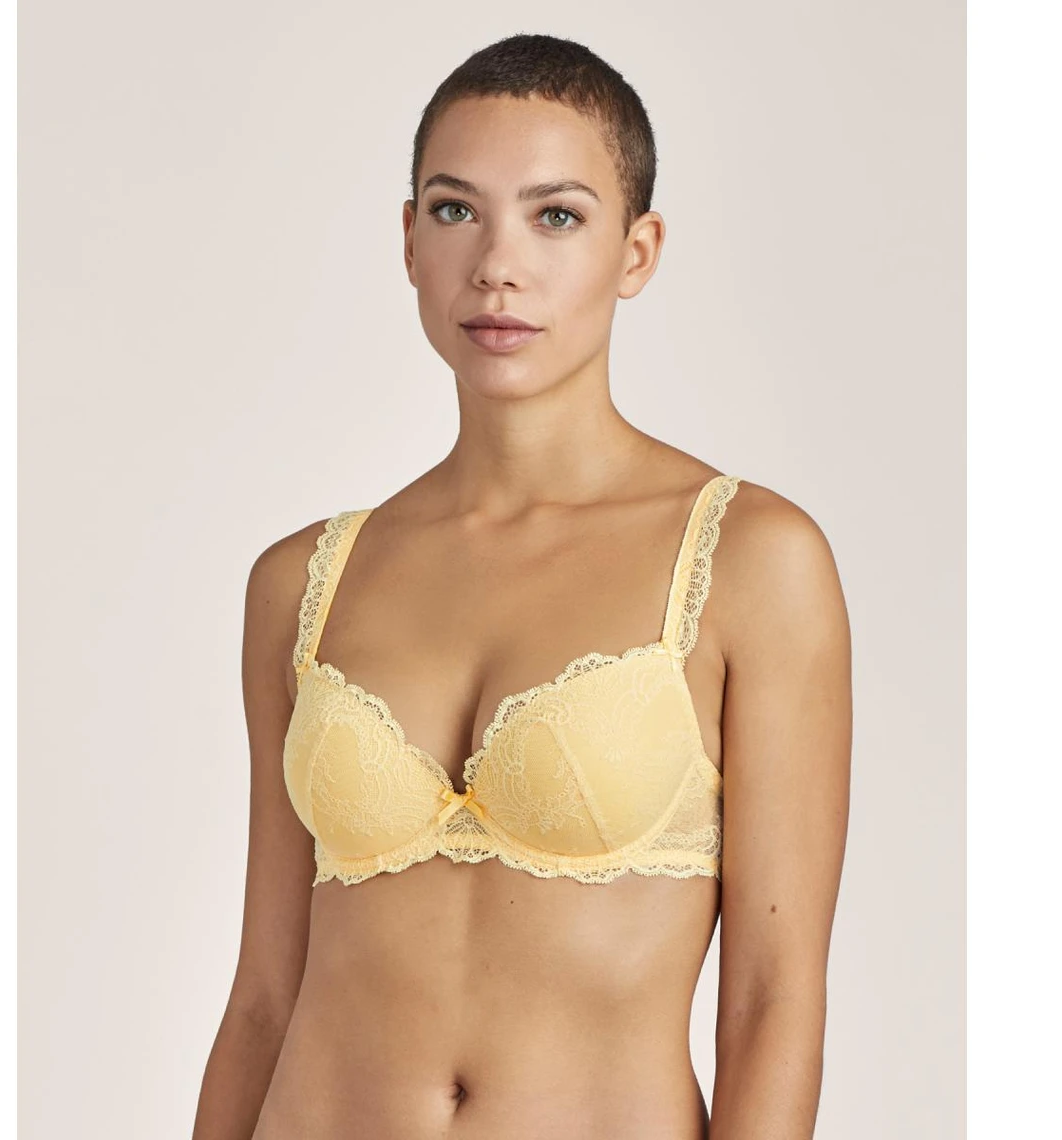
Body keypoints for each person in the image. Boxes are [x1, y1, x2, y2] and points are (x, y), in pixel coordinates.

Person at [192, 32, 851, 1140]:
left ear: (636, 251)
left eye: (556, 216)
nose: (498, 263)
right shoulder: (302, 582)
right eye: (456, 210)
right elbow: (264, 993)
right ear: (410, 240)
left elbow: (772, 1000)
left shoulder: (750, 559)